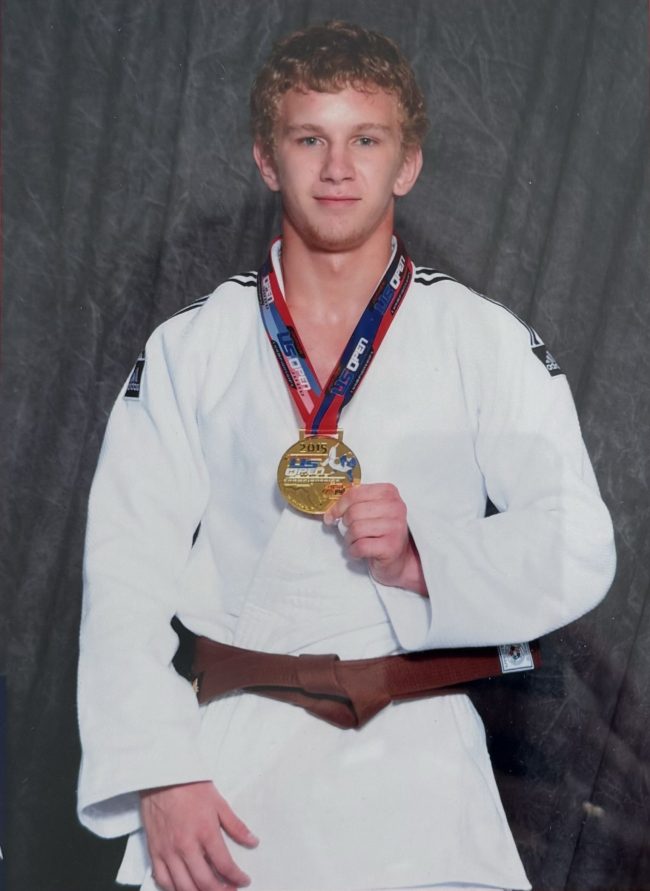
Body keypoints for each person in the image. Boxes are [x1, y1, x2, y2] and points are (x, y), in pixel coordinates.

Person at [77, 20, 616, 891]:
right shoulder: (192, 346)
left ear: (407, 164)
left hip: (419, 776)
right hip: (229, 770)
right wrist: (158, 770)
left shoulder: (481, 340)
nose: (337, 167)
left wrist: (421, 558)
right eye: (309, 139)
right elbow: (124, 569)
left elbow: (578, 539)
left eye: (366, 139)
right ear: (266, 159)